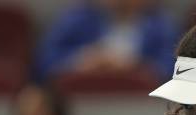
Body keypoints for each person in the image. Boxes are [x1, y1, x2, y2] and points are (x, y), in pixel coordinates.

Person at [35, 0, 179, 82]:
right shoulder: (77, 18)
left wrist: (135, 66)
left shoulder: (160, 23)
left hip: (139, 105)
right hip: (81, 102)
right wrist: (81, 60)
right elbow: (45, 63)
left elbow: (174, 66)